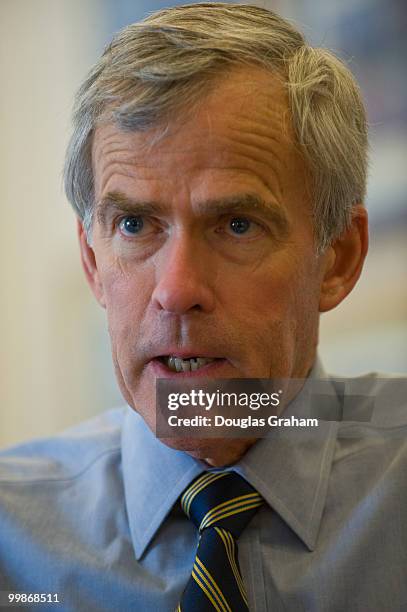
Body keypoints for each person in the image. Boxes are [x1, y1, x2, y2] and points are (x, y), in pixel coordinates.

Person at [0, 3, 406, 611]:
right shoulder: (12, 541)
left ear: (338, 258)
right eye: (134, 223)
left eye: (237, 225)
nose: (177, 289)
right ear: (92, 264)